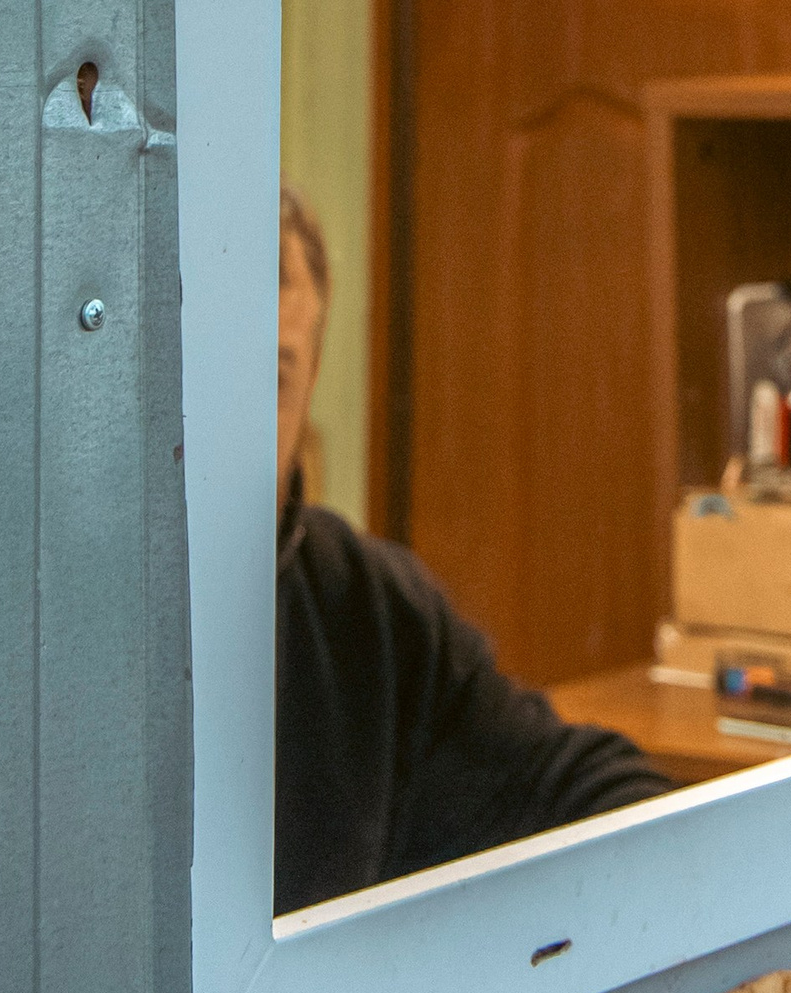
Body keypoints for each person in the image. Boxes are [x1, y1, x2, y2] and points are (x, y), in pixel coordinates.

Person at [274, 187, 670, 914]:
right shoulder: (57, 616)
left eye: (271, 379)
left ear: (313, 380)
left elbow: (559, 785)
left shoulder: (371, 607)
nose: (224, 419)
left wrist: (687, 876)